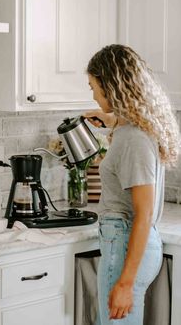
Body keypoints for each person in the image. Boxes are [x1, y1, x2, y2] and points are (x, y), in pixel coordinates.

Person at [84, 44, 180, 325]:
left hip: (124, 246)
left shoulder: (133, 140)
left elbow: (143, 213)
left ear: (110, 86)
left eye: (93, 86)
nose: (92, 94)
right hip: (128, 244)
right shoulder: (136, 129)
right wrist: (112, 119)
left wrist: (125, 284)